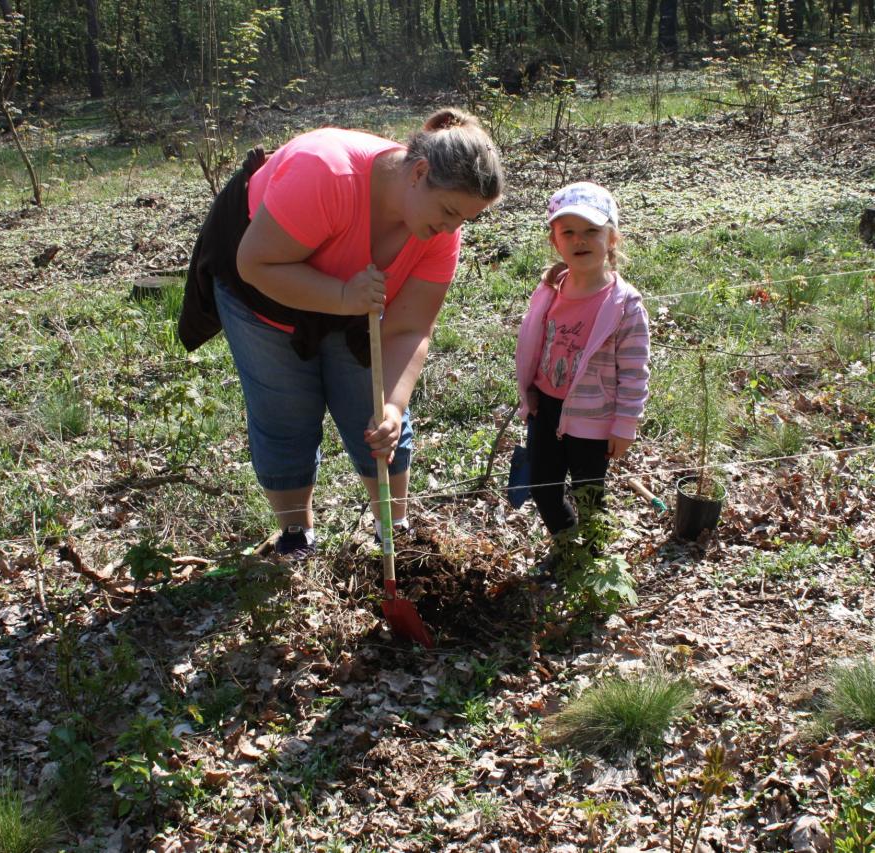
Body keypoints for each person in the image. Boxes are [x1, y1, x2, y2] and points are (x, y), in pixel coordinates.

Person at [181, 108, 503, 558]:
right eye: (448, 211)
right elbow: (255, 263)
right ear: (419, 173)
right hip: (263, 290)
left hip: (353, 299)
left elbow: (410, 327)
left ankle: (393, 530)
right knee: (285, 414)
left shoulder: (440, 234)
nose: (451, 229)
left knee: (373, 413)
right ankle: (296, 536)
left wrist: (392, 405)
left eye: (464, 220)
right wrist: (343, 296)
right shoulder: (327, 174)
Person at [513, 181, 651, 571]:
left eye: (592, 230)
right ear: (555, 241)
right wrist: (529, 391)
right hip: (546, 408)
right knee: (543, 486)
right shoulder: (550, 290)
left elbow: (635, 370)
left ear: (612, 237)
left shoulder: (624, 305)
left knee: (590, 493)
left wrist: (625, 424)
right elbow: (534, 343)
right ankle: (567, 545)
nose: (580, 240)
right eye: (568, 231)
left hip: (594, 417)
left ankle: (592, 562)